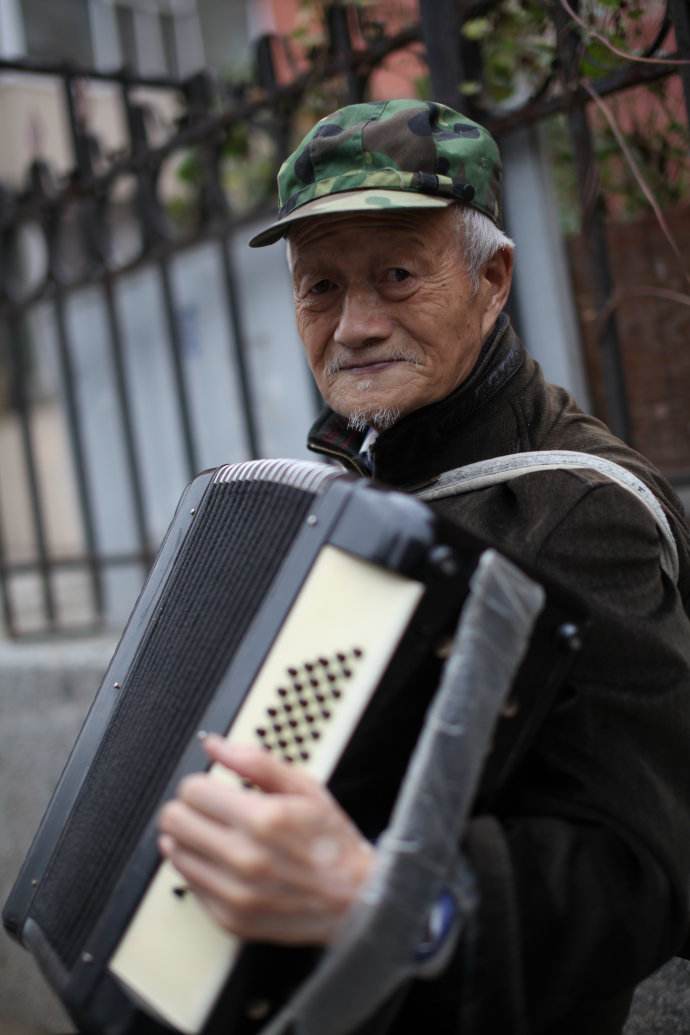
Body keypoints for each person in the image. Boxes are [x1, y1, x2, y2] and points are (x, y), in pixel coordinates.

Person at [156, 99, 690, 1034]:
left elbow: (648, 875)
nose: (354, 325)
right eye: (320, 287)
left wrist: (386, 896)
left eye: (397, 275)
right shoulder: (346, 485)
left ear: (492, 279)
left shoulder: (577, 509)